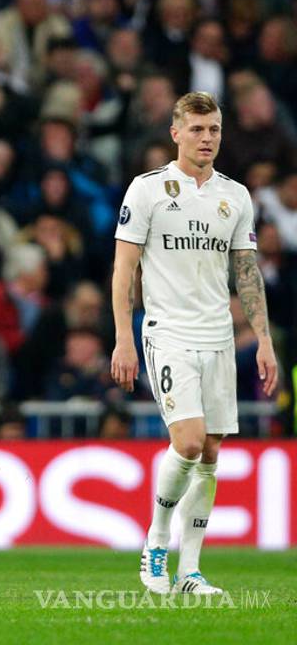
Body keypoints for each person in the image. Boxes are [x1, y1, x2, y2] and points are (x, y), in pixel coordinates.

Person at [111, 91, 277, 597]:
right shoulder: (148, 190)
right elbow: (124, 269)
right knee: (186, 441)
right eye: (198, 130)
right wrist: (122, 336)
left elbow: (246, 271)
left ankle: (191, 572)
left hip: (218, 337)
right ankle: (157, 541)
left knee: (209, 453)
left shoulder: (235, 196)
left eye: (215, 130)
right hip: (168, 332)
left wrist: (264, 341)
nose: (208, 139)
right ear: (176, 133)